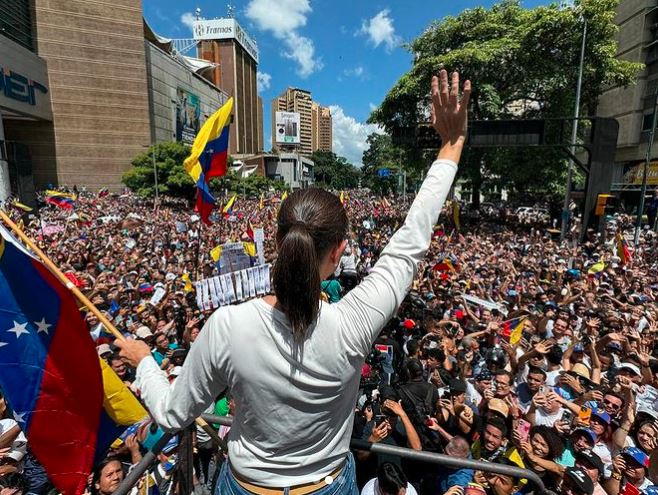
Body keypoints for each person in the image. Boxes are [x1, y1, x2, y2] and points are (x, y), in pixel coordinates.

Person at [117, 70, 471, 493]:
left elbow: (173, 415)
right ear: (339, 253)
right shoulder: (354, 324)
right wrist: (451, 145)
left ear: (279, 241)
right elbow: (410, 241)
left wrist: (143, 361)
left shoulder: (229, 326)